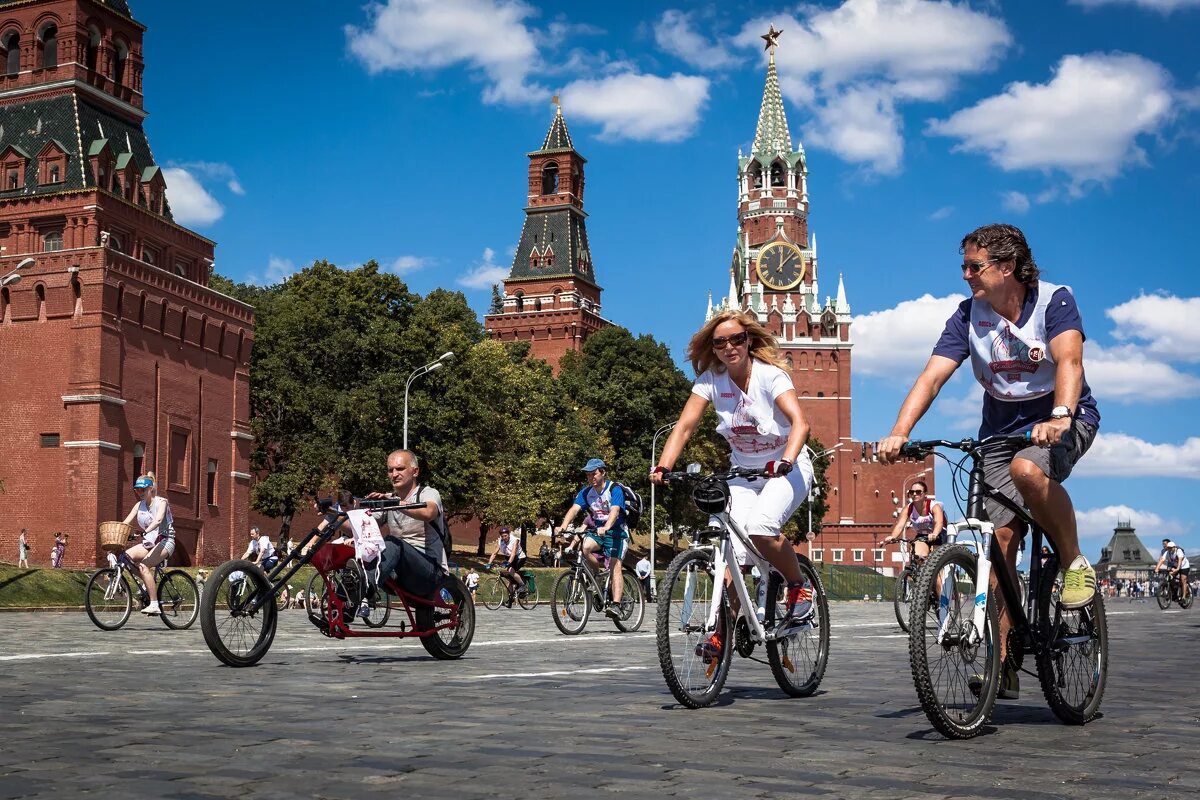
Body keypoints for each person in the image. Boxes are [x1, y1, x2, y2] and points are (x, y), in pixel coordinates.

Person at [876, 223, 1101, 701]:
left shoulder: (1054, 300)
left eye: (974, 267)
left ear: (1008, 267)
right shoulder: (967, 315)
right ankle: (1005, 660)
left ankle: (1073, 561)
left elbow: (1069, 362)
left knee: (1028, 470)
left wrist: (1060, 415)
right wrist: (900, 432)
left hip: (1063, 415)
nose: (966, 276)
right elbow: (932, 376)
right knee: (997, 544)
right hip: (998, 431)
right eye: (964, 266)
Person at [651, 309, 817, 661]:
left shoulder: (771, 376)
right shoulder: (712, 380)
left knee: (760, 528)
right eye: (720, 342)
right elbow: (684, 427)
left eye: (736, 339)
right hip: (742, 472)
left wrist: (785, 459)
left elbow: (801, 423)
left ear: (748, 341)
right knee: (729, 552)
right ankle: (721, 631)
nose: (729, 347)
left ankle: (799, 587)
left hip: (787, 466)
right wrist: (664, 466)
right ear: (713, 348)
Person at [365, 449, 448, 599]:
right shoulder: (389, 499)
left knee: (393, 542)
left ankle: (365, 587)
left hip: (430, 572)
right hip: (399, 573)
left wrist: (395, 503)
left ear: (415, 471)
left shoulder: (427, 493)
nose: (394, 474)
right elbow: (365, 524)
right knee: (361, 546)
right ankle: (343, 604)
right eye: (390, 470)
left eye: (400, 469)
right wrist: (332, 512)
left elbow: (429, 513)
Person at [557, 459, 631, 619]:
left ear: (603, 472)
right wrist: (563, 526)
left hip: (617, 531)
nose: (591, 478)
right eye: (588, 475)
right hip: (598, 531)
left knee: (615, 565)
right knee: (585, 547)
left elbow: (615, 511)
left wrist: (607, 527)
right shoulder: (586, 492)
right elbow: (574, 509)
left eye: (594, 474)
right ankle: (597, 577)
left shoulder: (614, 489)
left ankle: (617, 605)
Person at [120, 472, 176, 615]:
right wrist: (117, 531)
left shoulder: (161, 502)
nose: (140, 493)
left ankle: (154, 604)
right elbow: (126, 522)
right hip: (149, 543)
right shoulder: (139, 505)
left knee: (144, 566)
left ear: (150, 489)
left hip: (165, 540)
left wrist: (145, 532)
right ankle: (148, 582)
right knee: (125, 557)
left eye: (143, 490)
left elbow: (158, 520)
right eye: (137, 490)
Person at [879, 481, 944, 562]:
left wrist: (934, 534)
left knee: (935, 563)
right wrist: (893, 537)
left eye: (918, 492)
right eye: (911, 492)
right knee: (918, 557)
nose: (914, 494)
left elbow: (939, 522)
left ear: (925, 494)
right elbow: (900, 525)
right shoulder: (908, 509)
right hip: (922, 536)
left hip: (937, 535)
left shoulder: (934, 506)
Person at [485, 527, 527, 607]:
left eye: (505, 536)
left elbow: (513, 553)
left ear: (508, 534)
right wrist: (489, 563)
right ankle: (510, 600)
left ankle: (522, 585)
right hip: (509, 558)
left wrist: (508, 563)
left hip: (519, 557)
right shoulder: (500, 542)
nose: (504, 538)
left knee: (511, 570)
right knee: (509, 582)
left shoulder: (515, 540)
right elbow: (494, 553)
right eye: (502, 536)